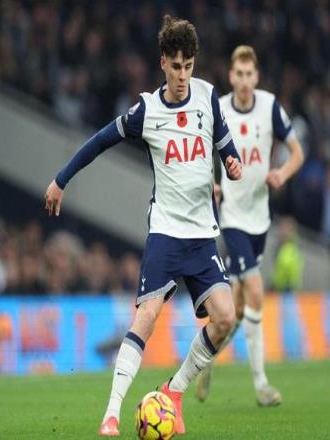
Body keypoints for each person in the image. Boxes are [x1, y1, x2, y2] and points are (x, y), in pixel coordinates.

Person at [44, 15, 242, 437]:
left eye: (189, 66)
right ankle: (111, 412)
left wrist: (232, 162)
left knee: (226, 318)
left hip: (202, 236)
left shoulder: (207, 97)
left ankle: (174, 391)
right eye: (176, 66)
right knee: (147, 316)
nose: (183, 75)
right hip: (166, 233)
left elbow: (226, 145)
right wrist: (61, 179)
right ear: (163, 63)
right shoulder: (147, 111)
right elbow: (101, 140)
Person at [196, 45, 304, 406]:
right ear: (231, 76)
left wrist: (282, 173)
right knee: (256, 289)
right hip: (232, 217)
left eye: (249, 74)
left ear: (256, 77)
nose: (243, 81)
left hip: (260, 217)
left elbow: (297, 152)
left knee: (239, 309)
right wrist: (211, 181)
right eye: (238, 74)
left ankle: (207, 355)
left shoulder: (270, 106)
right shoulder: (220, 108)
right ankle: (261, 385)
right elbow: (202, 150)